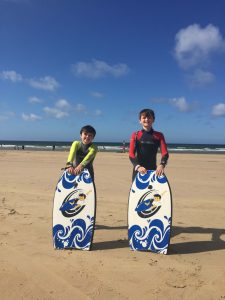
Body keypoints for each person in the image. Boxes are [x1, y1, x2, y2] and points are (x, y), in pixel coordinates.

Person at [129, 108, 169, 181]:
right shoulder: (135, 135)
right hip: (138, 171)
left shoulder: (159, 135)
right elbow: (131, 154)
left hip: (154, 171)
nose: (147, 119)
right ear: (140, 121)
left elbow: (165, 153)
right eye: (144, 118)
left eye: (149, 117)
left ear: (153, 120)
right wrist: (138, 167)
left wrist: (162, 165)